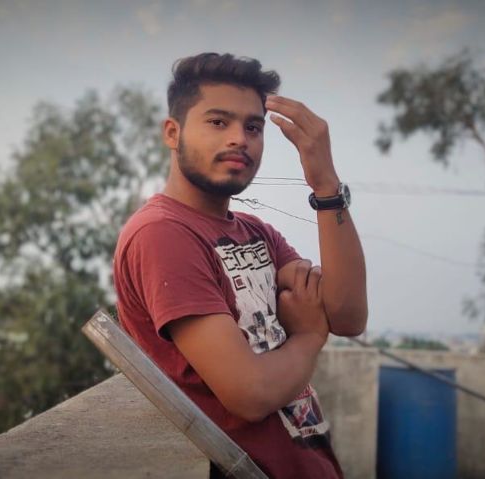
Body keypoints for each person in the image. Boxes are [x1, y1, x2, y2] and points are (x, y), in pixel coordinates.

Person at [113, 52, 367, 479]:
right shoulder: (162, 233)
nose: (239, 139)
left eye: (253, 127)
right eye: (218, 122)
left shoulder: (255, 231)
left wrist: (326, 185)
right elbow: (250, 394)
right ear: (173, 133)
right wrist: (308, 336)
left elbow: (348, 315)